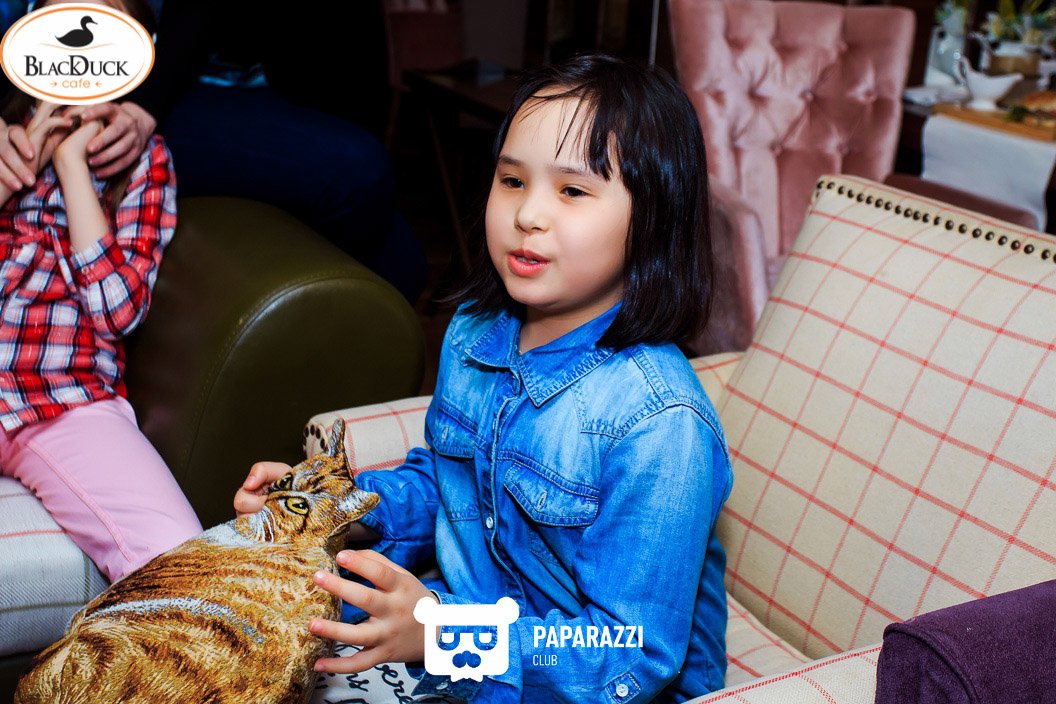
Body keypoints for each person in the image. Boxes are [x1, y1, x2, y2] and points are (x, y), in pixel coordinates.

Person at [235, 54, 733, 703]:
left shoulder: (660, 424)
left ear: (654, 219)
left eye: (573, 191)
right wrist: (332, 508)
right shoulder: (473, 332)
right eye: (512, 180)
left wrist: (446, 633)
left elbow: (629, 652)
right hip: (464, 619)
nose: (529, 215)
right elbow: (448, 487)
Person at [0, 1, 427, 302]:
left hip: (201, 74)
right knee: (361, 180)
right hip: (75, 78)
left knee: (400, 254)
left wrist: (145, 104)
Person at [0, 0, 202, 583]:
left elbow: (118, 311)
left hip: (66, 397)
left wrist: (71, 165)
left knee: (178, 566)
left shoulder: (145, 163)